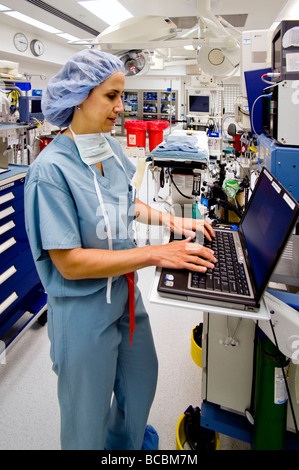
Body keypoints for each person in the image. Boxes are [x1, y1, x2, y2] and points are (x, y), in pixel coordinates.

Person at [24, 48, 216, 450]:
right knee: (85, 420)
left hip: (125, 300)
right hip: (82, 311)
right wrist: (155, 254)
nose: (120, 107)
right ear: (79, 96)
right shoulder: (50, 171)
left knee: (141, 384)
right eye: (111, 96)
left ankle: (124, 447)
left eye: (121, 96)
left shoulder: (106, 149)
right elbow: (70, 263)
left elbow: (125, 203)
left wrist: (170, 221)